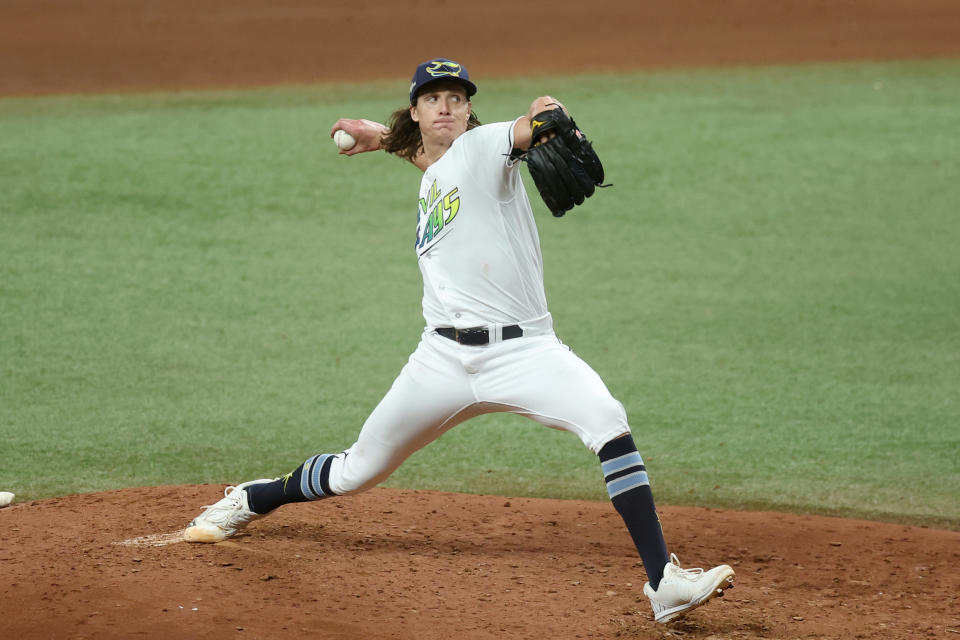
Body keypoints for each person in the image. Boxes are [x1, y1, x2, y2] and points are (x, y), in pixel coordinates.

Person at [184, 57, 734, 624]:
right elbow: (434, 163)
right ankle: (253, 498)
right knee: (358, 470)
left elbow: (526, 129)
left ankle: (663, 582)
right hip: (441, 360)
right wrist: (382, 140)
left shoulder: (488, 144)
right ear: (417, 112)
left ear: (469, 109)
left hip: (525, 353)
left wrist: (546, 112)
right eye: (433, 98)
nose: (446, 105)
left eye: (456, 97)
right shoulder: (438, 166)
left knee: (607, 421)